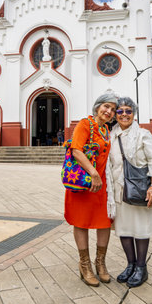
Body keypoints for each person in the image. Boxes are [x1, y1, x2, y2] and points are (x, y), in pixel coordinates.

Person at [106, 97, 152, 287]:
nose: (123, 115)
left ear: (134, 114)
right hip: (118, 190)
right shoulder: (110, 135)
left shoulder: (143, 134)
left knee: (140, 228)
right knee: (124, 229)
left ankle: (141, 267)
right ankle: (130, 264)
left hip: (139, 189)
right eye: (120, 111)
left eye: (128, 111)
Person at [64, 93, 118, 286]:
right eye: (106, 106)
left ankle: (100, 263)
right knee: (81, 221)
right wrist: (93, 173)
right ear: (97, 107)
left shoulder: (105, 130)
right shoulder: (85, 124)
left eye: (113, 109)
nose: (109, 111)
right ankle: (85, 265)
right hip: (84, 183)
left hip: (103, 185)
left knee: (104, 222)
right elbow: (76, 149)